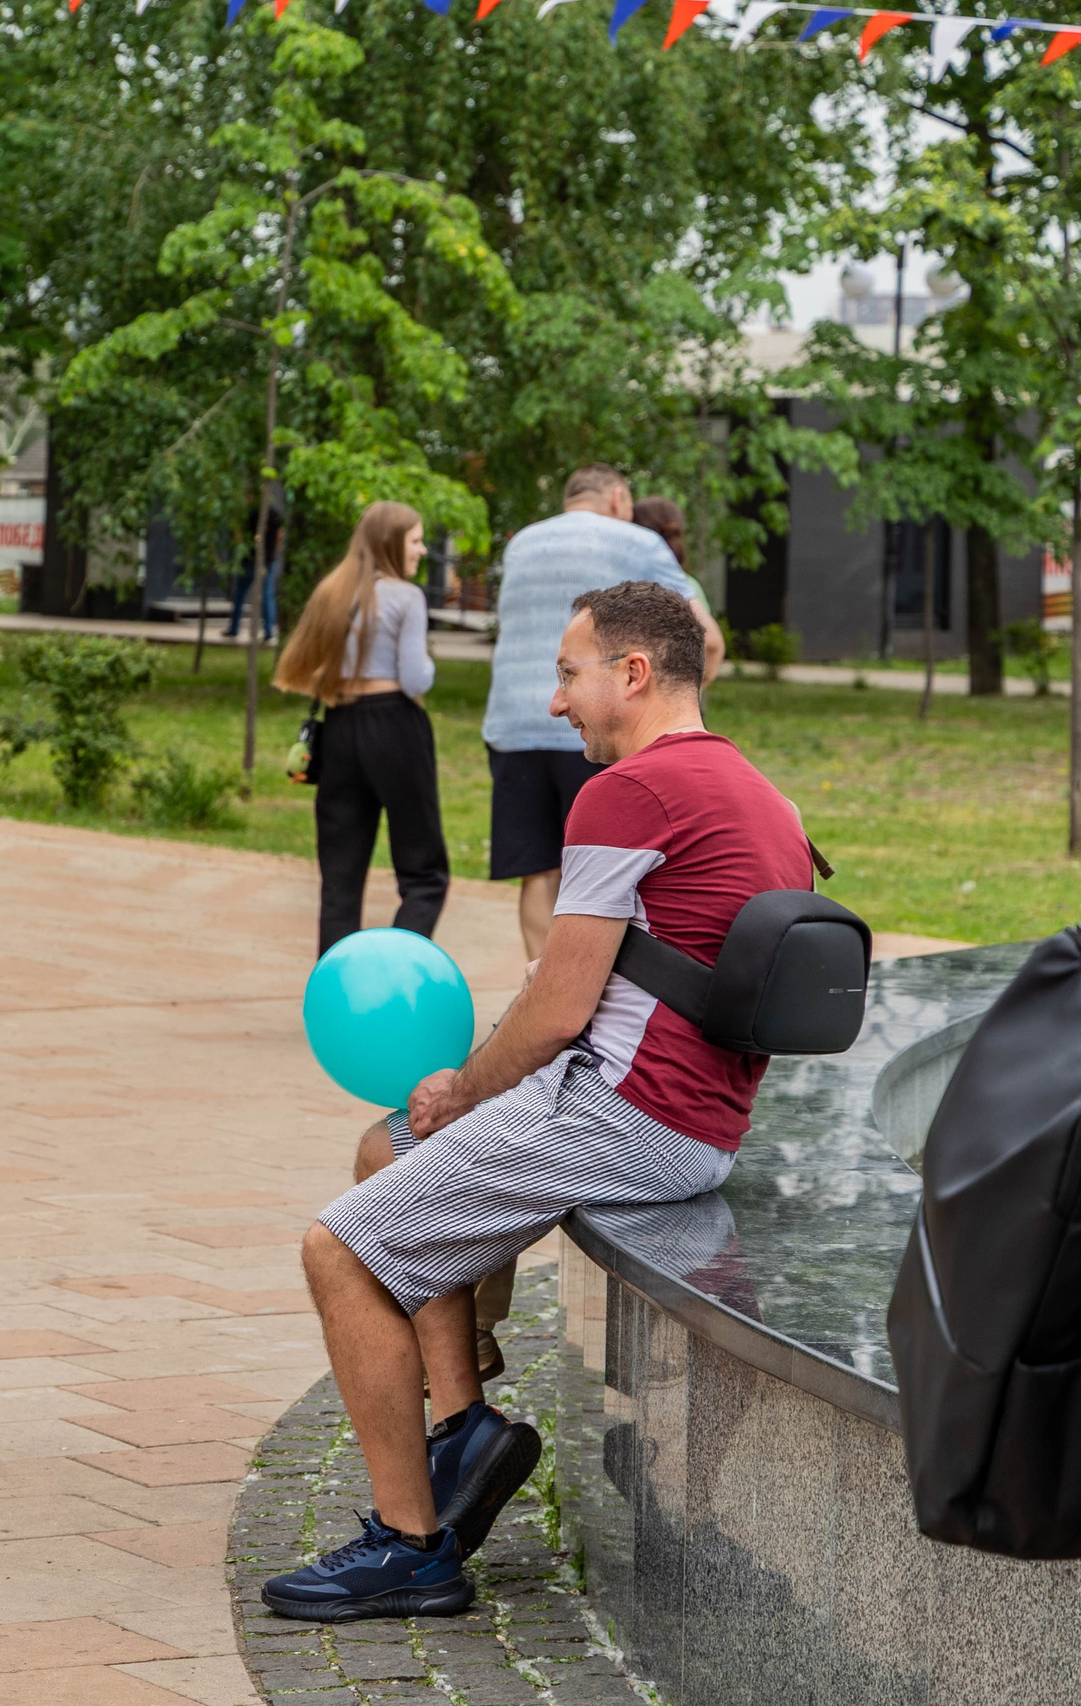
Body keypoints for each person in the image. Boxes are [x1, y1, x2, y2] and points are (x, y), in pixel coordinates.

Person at [261, 582, 812, 1621]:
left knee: (338, 1249)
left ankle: (412, 1546)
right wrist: (458, 1099)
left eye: (568, 674)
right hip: (693, 1120)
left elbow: (558, 1008)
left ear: (632, 674)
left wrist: (461, 1090)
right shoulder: (754, 789)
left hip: (623, 1111)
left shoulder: (627, 792)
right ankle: (465, 1423)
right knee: (385, 1153)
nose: (556, 702)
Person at [482, 466, 723, 962]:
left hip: (513, 726)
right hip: (599, 724)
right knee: (605, 872)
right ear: (617, 498)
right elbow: (709, 638)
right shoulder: (639, 542)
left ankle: (538, 989)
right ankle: (587, 1005)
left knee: (540, 872)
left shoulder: (520, 544)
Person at [274, 501, 447, 956]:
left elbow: (309, 668)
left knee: (340, 877)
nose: (423, 549)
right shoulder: (406, 597)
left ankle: (334, 1002)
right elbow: (415, 679)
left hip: (341, 726)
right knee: (424, 874)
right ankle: (392, 978)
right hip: (394, 726)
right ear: (391, 543)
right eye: (415, 540)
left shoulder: (332, 591)